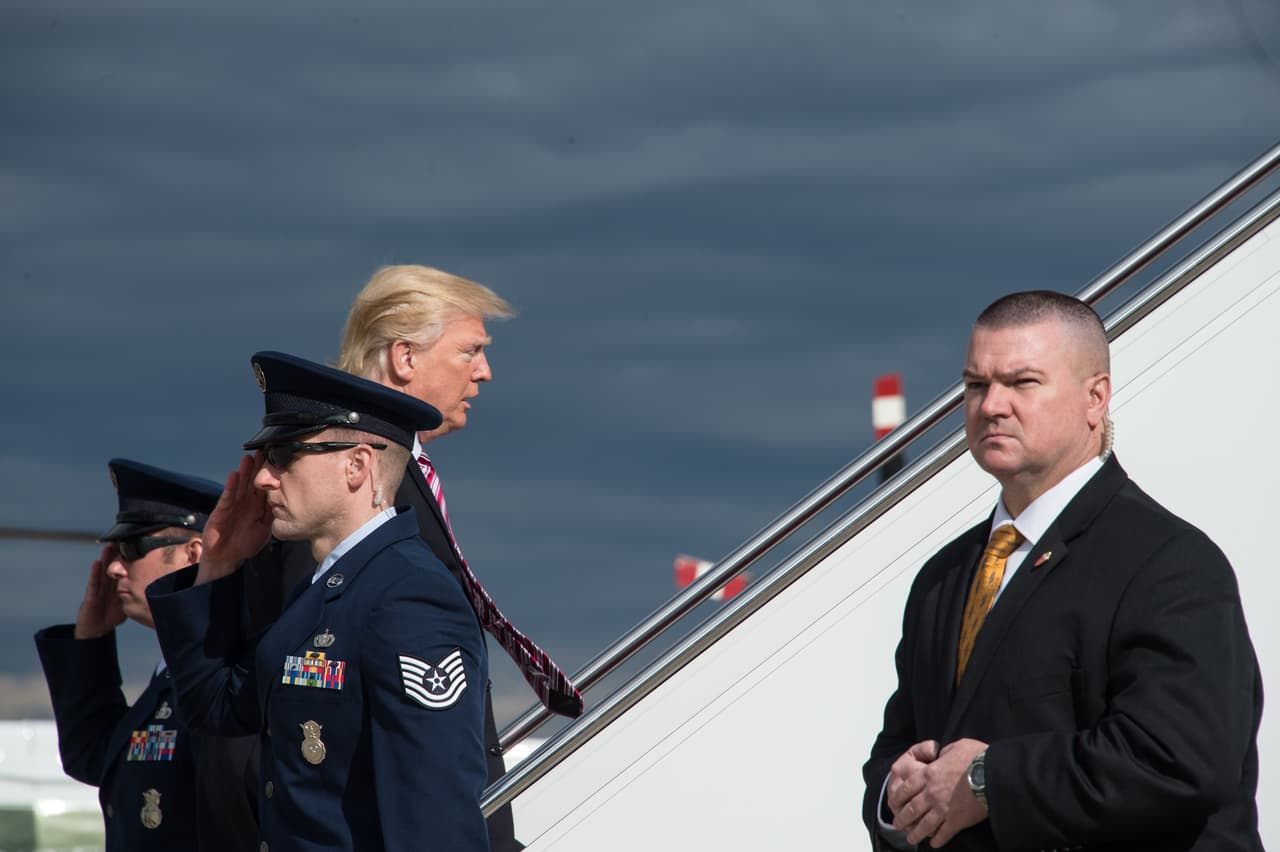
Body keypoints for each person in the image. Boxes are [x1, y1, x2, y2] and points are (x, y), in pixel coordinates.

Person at [862, 290, 1263, 851]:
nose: (992, 405)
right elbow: (900, 747)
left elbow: (1181, 759)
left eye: (1022, 383)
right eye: (977, 385)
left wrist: (987, 780)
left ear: (1095, 398)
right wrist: (893, 794)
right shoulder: (944, 578)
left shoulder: (1170, 563)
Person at [203, 265, 581, 852]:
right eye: (470, 350)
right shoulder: (340, 499)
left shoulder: (388, 482)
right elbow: (284, 703)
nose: (484, 371)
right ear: (405, 357)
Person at [147, 350, 490, 851]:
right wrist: (217, 566)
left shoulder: (409, 596)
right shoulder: (325, 592)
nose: (263, 477)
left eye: (285, 455)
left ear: (357, 464)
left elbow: (433, 816)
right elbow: (215, 708)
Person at [35, 459, 221, 851]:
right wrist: (91, 641)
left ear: (194, 553)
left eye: (134, 547)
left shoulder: (219, 671)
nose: (115, 568)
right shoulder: (170, 674)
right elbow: (94, 757)